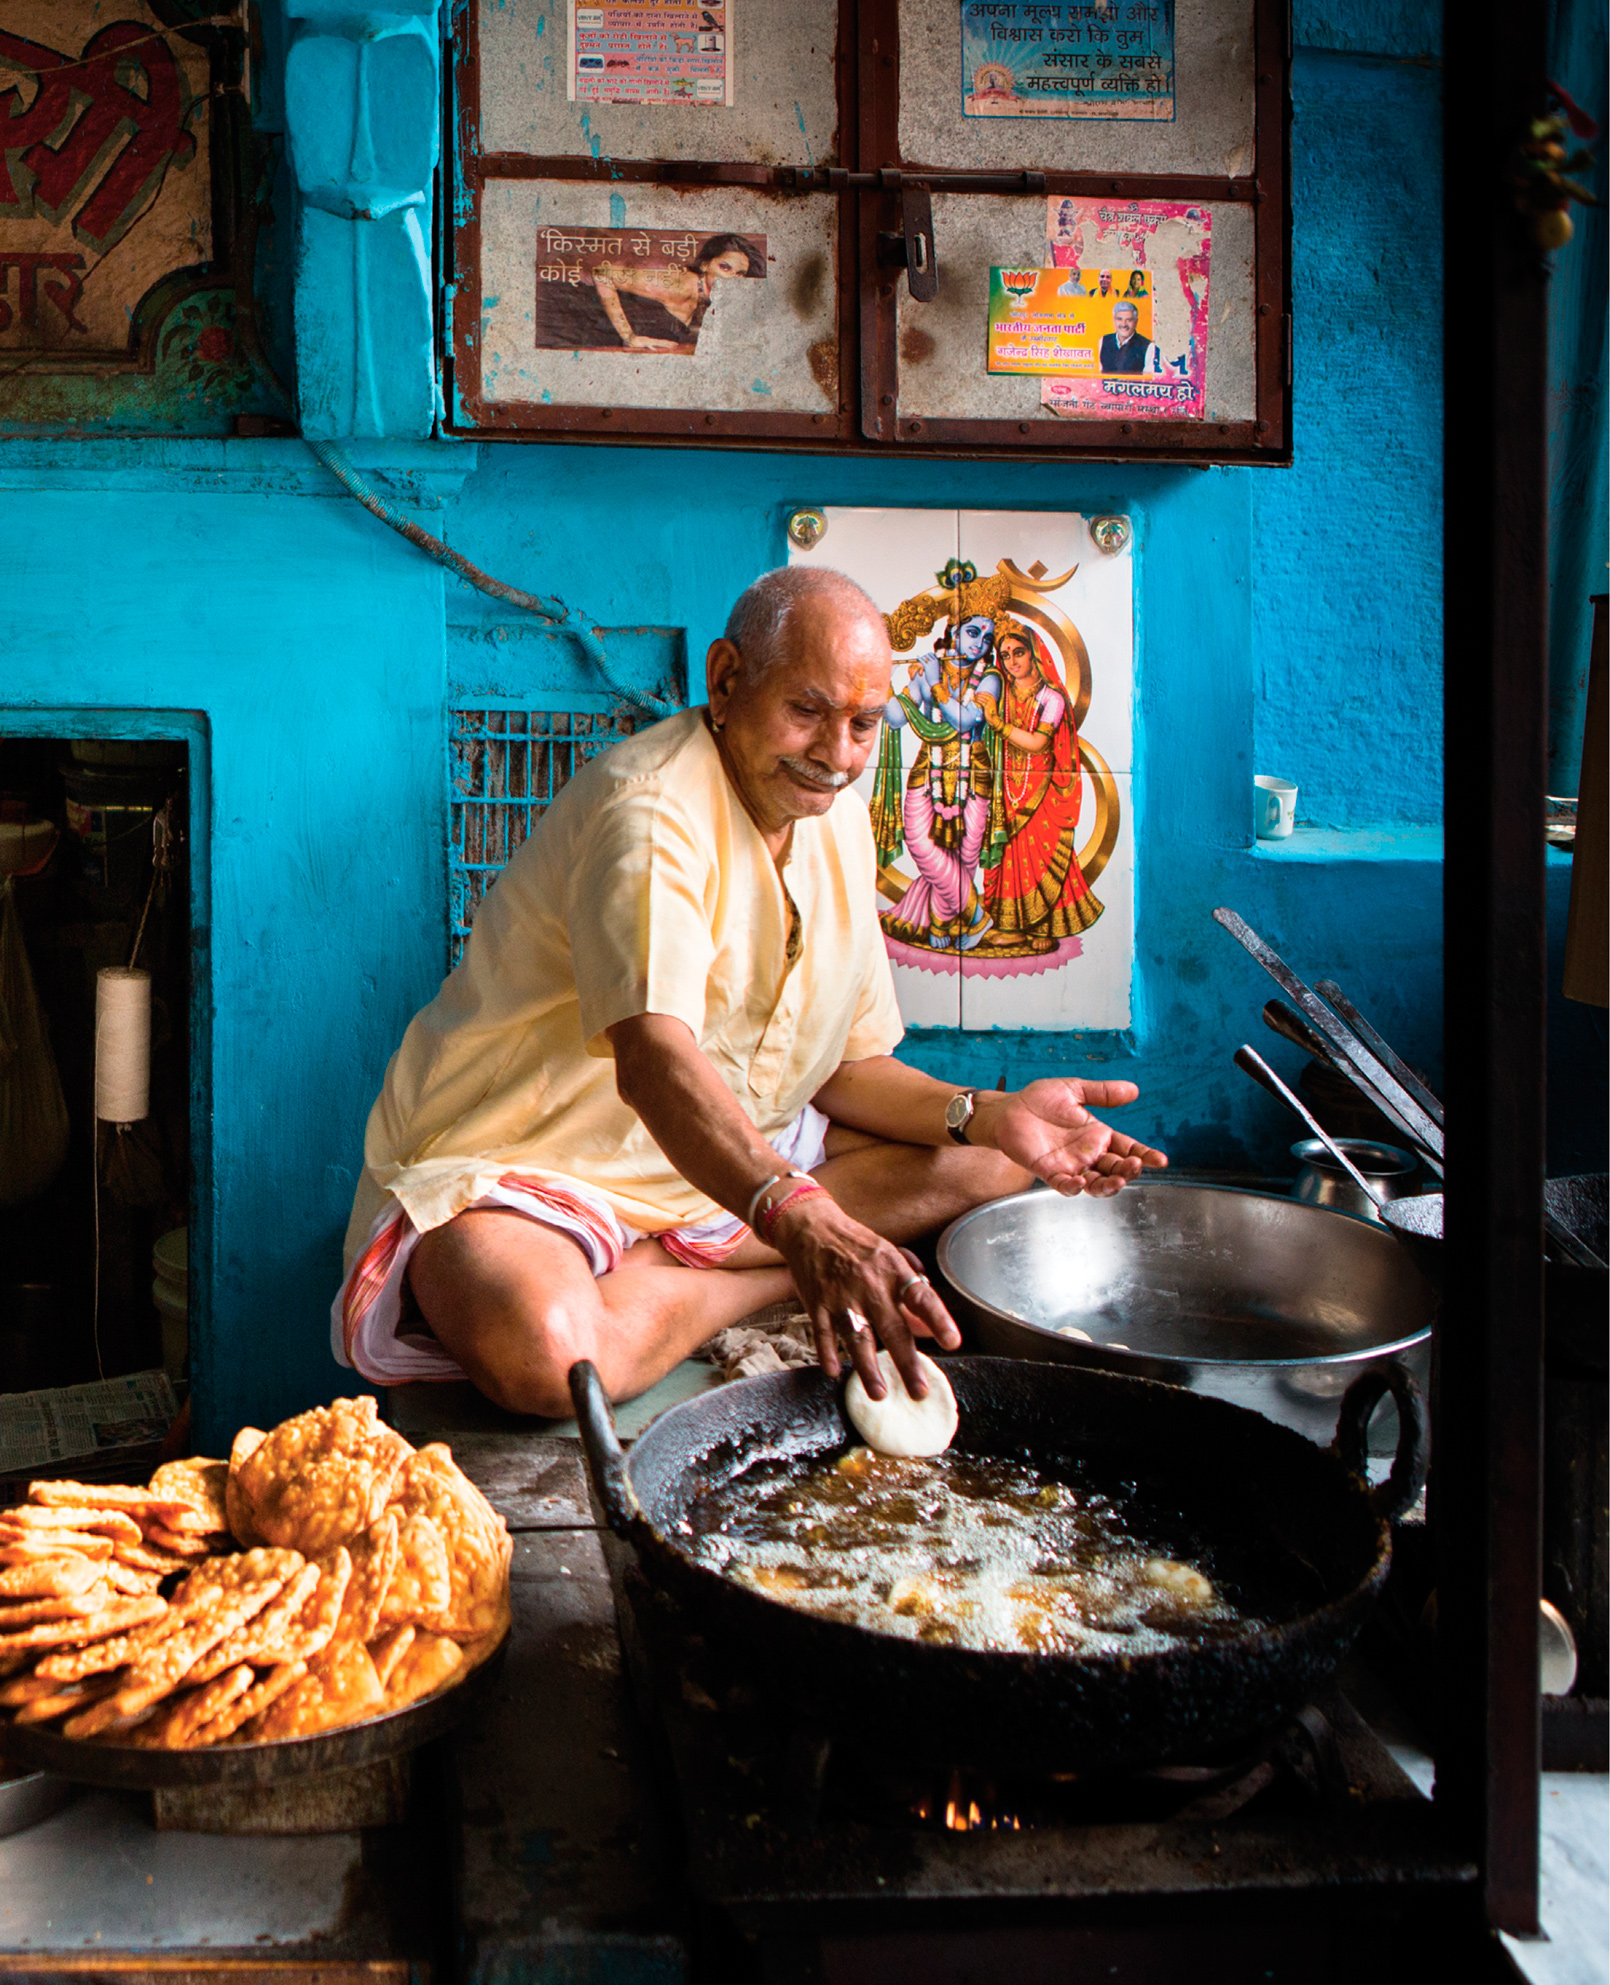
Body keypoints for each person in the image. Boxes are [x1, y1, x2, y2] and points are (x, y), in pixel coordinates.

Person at [332, 568, 1166, 1417]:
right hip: (537, 1163)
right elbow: (653, 1064)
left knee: (1001, 1162)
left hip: (729, 1167)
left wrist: (989, 1113)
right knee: (551, 1358)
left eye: (864, 725)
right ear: (726, 681)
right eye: (806, 712)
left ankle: (702, 1256)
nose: (837, 755)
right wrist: (796, 1221)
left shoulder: (829, 810)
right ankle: (727, 1278)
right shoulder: (651, 815)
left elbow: (847, 1069)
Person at [976, 620, 1103, 955]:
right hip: (1009, 788)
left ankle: (1043, 925)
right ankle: (1012, 927)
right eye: (1005, 656)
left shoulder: (1053, 697)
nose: (1013, 661)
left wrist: (998, 724)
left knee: (1040, 856)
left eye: (1019, 652)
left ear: (1034, 655)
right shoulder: (1003, 690)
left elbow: (1037, 743)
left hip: (1043, 792)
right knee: (1010, 855)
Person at [878, 611, 1000, 954]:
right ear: (953, 633)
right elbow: (896, 718)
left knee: (965, 858)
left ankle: (941, 918)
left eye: (986, 638)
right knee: (919, 842)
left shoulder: (990, 679)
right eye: (973, 632)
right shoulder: (927, 669)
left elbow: (964, 721)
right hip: (927, 772)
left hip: (973, 774)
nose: (979, 643)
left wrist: (934, 685)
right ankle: (976, 916)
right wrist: (884, 675)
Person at [533, 233, 762, 353]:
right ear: (705, 265)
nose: (733, 278)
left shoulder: (710, 302)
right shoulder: (677, 285)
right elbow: (602, 273)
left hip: (594, 334)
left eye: (740, 274)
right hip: (565, 310)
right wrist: (630, 336)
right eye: (724, 267)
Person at [1099, 300, 1159, 375]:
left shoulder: (1148, 347)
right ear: (1114, 321)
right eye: (1119, 319)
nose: (1123, 324)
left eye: (1129, 320)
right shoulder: (1103, 341)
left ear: (1136, 322)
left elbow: (1147, 380)